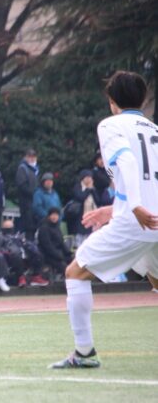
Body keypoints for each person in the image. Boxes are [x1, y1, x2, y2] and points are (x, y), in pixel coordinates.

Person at [51, 71, 158, 369]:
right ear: (143, 100)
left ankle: (84, 353)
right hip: (153, 220)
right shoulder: (154, 129)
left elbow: (127, 162)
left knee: (76, 273)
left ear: (112, 101)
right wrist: (113, 209)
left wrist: (133, 206)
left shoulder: (111, 125)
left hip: (136, 221)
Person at [37, 207, 72, 277]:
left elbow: (61, 242)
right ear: (49, 216)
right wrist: (59, 255)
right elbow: (47, 246)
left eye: (56, 215)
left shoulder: (56, 227)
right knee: (65, 267)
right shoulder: (44, 228)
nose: (54, 217)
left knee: (73, 262)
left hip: (59, 253)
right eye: (53, 215)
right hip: (48, 255)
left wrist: (68, 253)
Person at [15, 148, 39, 240]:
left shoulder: (36, 169)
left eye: (33, 156)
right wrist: (34, 194)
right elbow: (22, 186)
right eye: (29, 156)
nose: (32, 159)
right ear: (26, 157)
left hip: (34, 204)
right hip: (26, 204)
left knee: (34, 227)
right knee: (28, 227)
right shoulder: (22, 169)